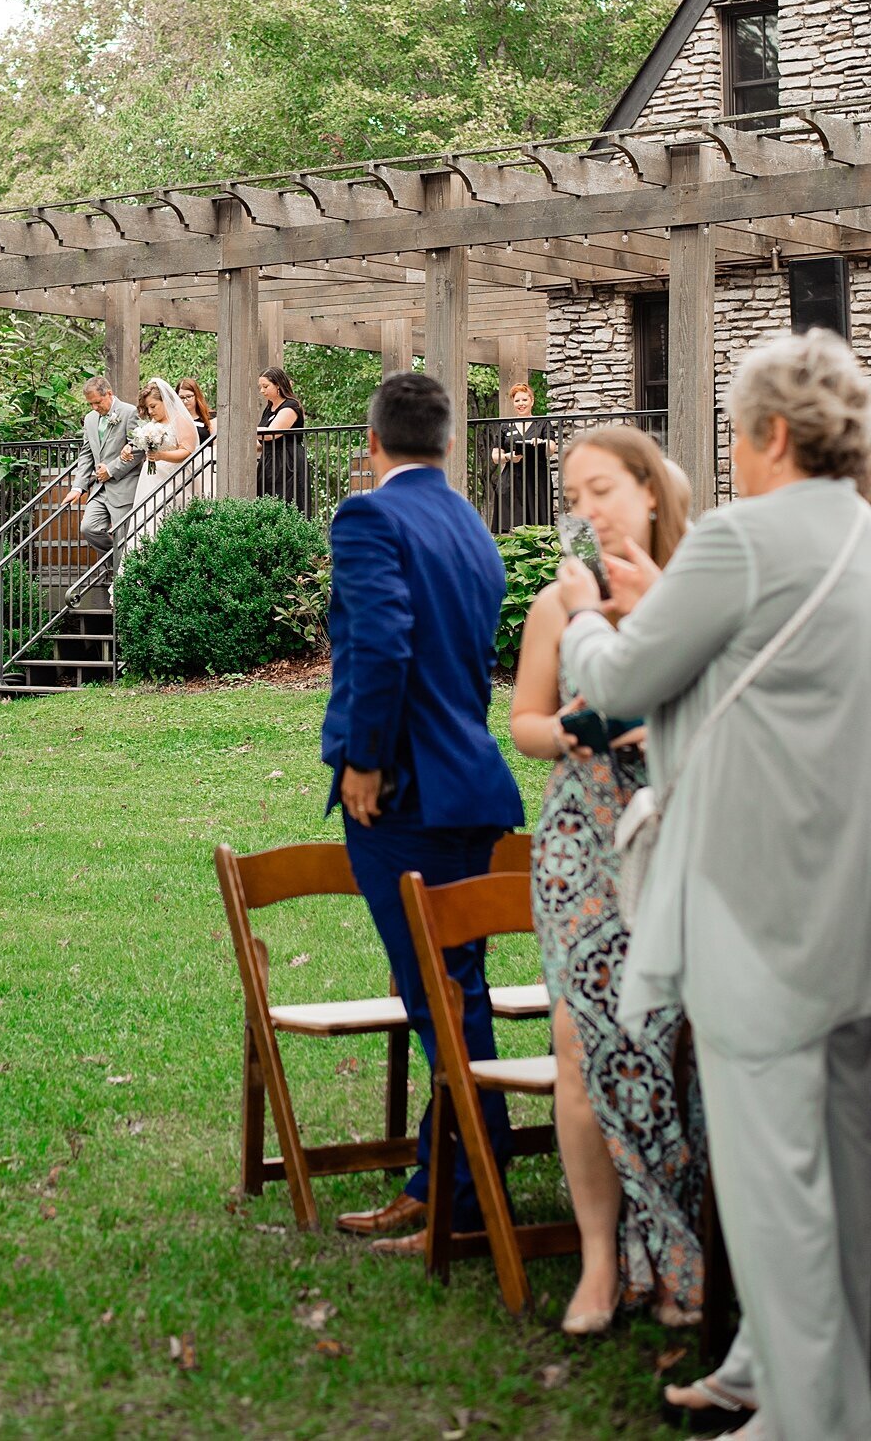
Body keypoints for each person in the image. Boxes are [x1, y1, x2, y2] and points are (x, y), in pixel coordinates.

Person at [557, 329, 871, 1441]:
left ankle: (805, 1422)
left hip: (754, 908)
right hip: (854, 905)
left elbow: (620, 682)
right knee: (851, 1185)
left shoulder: (742, 538)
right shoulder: (865, 538)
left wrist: (591, 612)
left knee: (777, 1189)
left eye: (737, 434)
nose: (731, 457)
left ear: (774, 434)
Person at [321, 372, 524, 1253]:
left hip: (405, 796)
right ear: (446, 442)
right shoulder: (476, 530)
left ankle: (472, 1188)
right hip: (472, 785)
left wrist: (363, 761)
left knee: (437, 992)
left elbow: (381, 642)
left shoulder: (370, 519)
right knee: (454, 984)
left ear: (373, 442)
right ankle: (440, 1174)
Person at [511, 427, 702, 1334]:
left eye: (602, 491)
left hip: (682, 835)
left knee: (676, 1044)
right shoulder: (560, 603)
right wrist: (580, 731)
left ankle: (678, 1250)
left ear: (652, 490)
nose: (586, 511)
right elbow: (524, 723)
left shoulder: (701, 591)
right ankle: (597, 1262)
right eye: (574, 497)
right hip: (581, 842)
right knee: (579, 1053)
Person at [64, 375, 141, 561]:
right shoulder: (90, 419)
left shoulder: (129, 412)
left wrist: (111, 470)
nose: (94, 408)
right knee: (88, 528)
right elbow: (86, 454)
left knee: (125, 538)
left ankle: (123, 578)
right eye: (90, 404)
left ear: (109, 393)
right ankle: (117, 563)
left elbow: (138, 448)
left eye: (97, 402)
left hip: (124, 486)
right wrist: (77, 487)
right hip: (99, 489)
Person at [120, 376, 200, 546]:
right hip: (150, 479)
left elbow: (187, 450)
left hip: (173, 478)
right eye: (148, 408)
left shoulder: (181, 420)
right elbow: (142, 442)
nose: (150, 412)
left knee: (164, 518)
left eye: (153, 406)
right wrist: (130, 446)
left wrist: (162, 456)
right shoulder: (153, 423)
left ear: (165, 401)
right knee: (145, 517)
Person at [490, 381, 557, 531]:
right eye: (517, 400)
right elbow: (495, 455)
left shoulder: (543, 423)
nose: (521, 404)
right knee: (510, 522)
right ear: (513, 403)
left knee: (539, 521)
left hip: (537, 479)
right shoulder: (506, 426)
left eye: (524, 400)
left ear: (532, 401)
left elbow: (551, 448)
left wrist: (541, 442)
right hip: (512, 478)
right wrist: (508, 457)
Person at [257, 367, 310, 513]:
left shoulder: (290, 406)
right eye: (260, 387)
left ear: (278, 385)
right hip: (269, 461)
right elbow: (262, 441)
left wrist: (245, 430)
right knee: (266, 505)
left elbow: (271, 434)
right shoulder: (268, 409)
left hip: (287, 462)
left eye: (265, 386)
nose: (262, 391)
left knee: (288, 503)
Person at [177, 376, 217, 498]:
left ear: (196, 396)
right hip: (184, 465)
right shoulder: (177, 419)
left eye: (189, 396)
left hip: (205, 465)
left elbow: (215, 443)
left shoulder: (210, 418)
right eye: (181, 398)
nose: (185, 401)